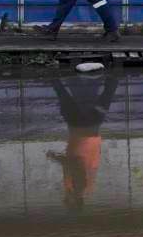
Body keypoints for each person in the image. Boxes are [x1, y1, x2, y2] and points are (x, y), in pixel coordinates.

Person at [47, 73, 120, 209]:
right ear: (75, 201)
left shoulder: (84, 189)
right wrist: (55, 157)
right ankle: (51, 71)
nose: (64, 200)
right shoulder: (79, 188)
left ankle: (114, 71)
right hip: (79, 125)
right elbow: (76, 165)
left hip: (93, 124)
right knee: (61, 92)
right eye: (68, 202)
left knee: (109, 89)